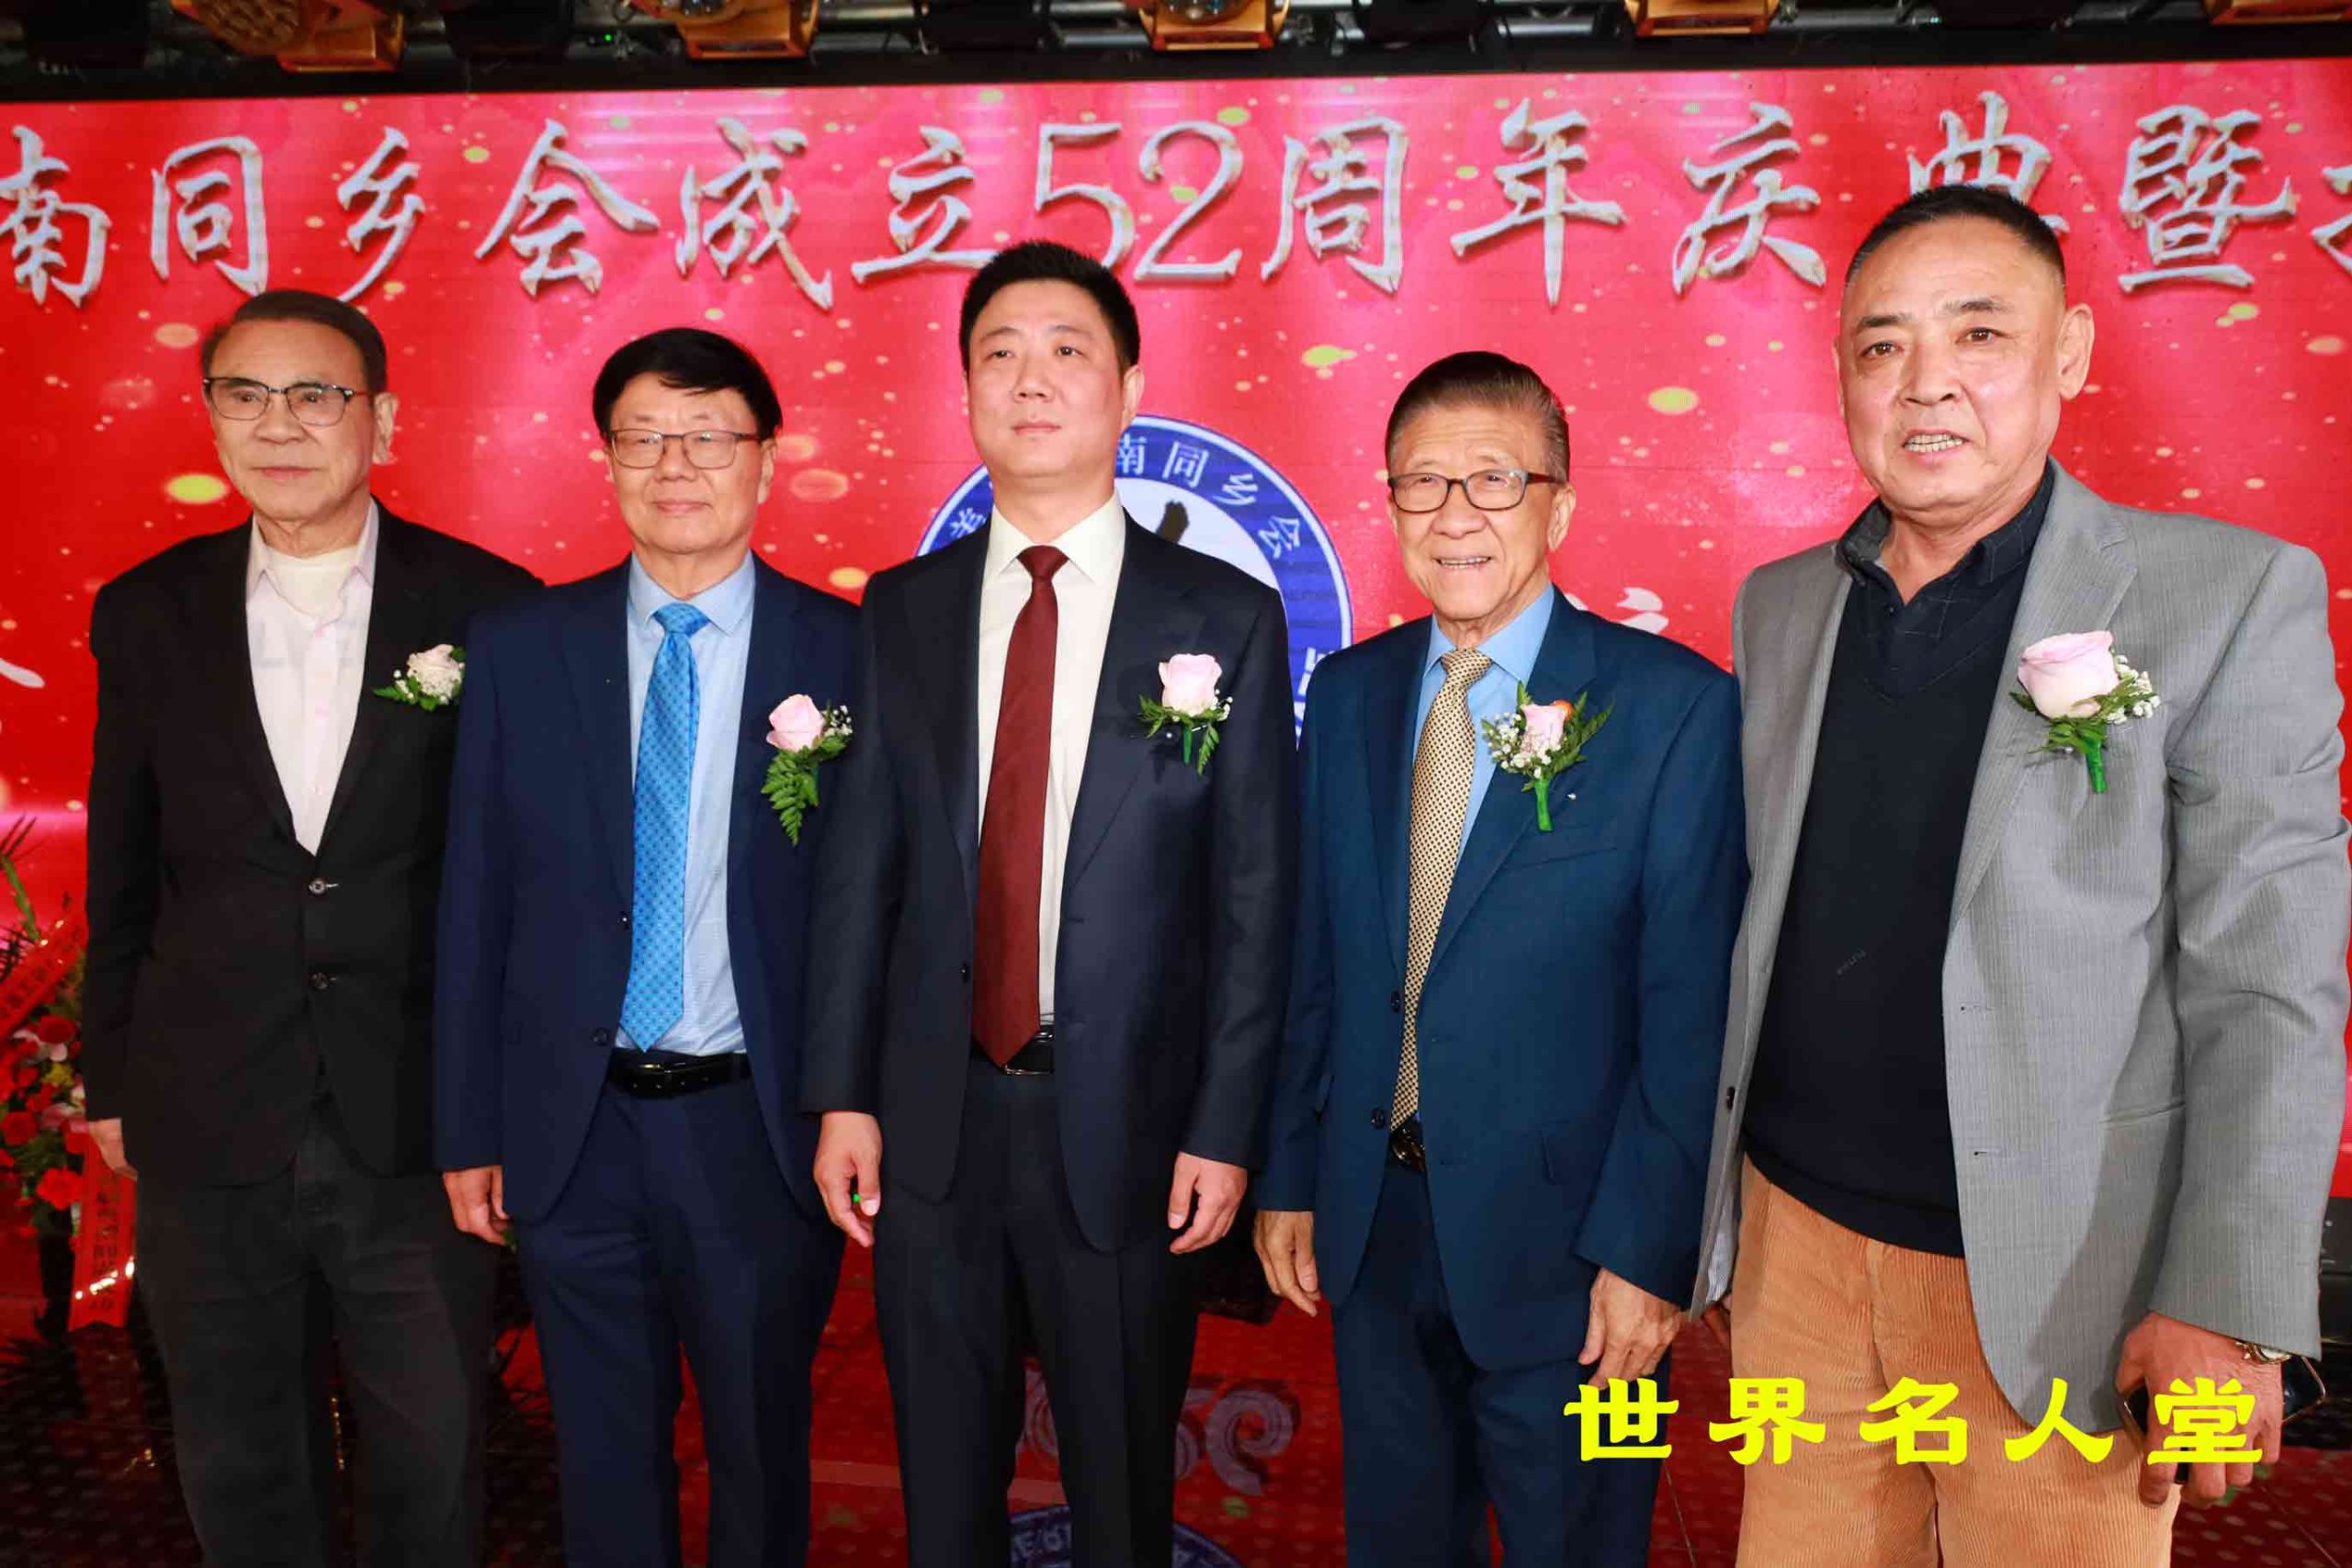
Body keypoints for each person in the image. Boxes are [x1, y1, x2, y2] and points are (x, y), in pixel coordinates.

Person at [1690, 184, 2349, 1566]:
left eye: (1978, 333)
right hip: (1798, 1248)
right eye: (1882, 345)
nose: (1925, 382)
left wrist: (2228, 1306)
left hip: (2068, 1277)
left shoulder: (2223, 595)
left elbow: (2268, 981)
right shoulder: (1782, 604)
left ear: (2072, 354)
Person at [800, 240, 1296, 1568]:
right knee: (941, 1486)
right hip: (933, 1121)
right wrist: (842, 1093)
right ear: (966, 390)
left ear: (1128, 388)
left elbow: (1255, 901)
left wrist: (1225, 1126)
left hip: (1130, 1126)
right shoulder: (902, 610)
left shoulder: (1228, 618)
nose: (1031, 379)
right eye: (999, 353)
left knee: (1122, 1491)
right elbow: (861, 869)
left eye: (1068, 350)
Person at [1252, 351, 1745, 1565]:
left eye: (1494, 479)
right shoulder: (1352, 694)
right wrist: (1291, 1175)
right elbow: (1315, 964)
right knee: (1397, 1542)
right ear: (1391, 506)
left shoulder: (1674, 708)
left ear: (1558, 507)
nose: (1455, 513)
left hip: (1579, 1258)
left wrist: (1649, 1252)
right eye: (1423, 483)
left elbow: (1692, 1013)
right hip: (1375, 1227)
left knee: (1590, 1542)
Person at [81, 288, 536, 1567]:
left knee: (431, 1450)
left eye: (315, 396)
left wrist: (506, 1100)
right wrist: (110, 1079)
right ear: (213, 417)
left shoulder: (493, 607)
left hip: (417, 1117)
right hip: (205, 1105)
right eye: (246, 395)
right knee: (237, 1451)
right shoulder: (148, 610)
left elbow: (525, 880)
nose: (278, 425)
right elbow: (123, 865)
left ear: (380, 421)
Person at [434, 328, 852, 1568]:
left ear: (765, 458)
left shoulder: (849, 652)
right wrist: (468, 1127)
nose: (676, 465)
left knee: (762, 1450)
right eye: (645, 438)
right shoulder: (522, 647)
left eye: (709, 436)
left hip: (758, 1128)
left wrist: (856, 1103)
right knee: (603, 1460)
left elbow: (878, 911)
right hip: (574, 1130)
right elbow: (476, 898)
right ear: (607, 458)